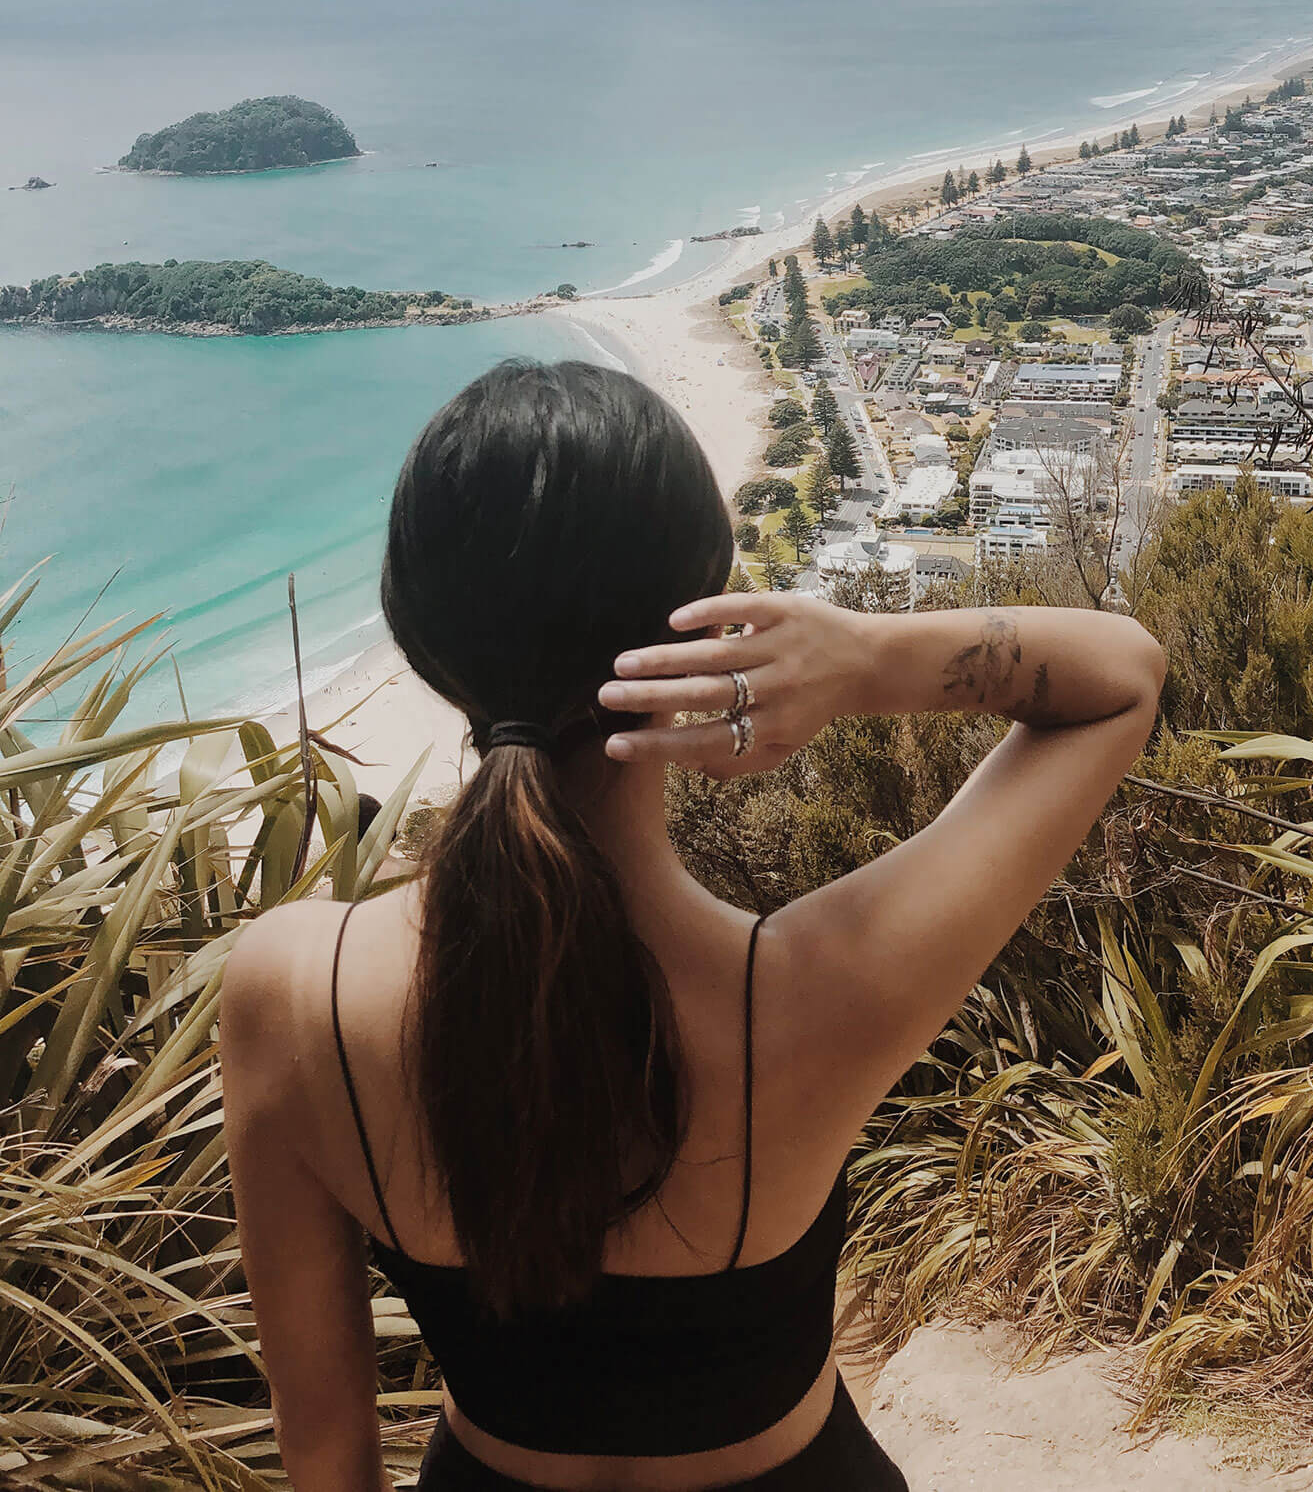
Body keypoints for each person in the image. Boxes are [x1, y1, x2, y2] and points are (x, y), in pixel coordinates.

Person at [221, 359, 1164, 1492]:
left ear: (420, 642)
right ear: (705, 626)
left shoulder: (290, 991)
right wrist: (864, 658)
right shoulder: (815, 993)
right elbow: (1121, 677)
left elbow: (324, 1448)